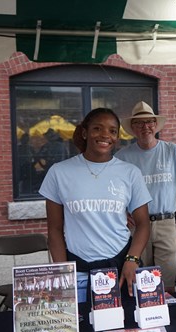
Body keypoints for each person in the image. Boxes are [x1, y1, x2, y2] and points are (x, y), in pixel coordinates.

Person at [39, 108, 152, 297]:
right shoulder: (59, 172)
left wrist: (132, 260)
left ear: (117, 137)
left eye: (112, 131)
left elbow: (143, 224)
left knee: (123, 324)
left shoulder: (130, 173)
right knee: (81, 325)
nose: (105, 135)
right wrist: (62, 272)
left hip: (121, 267)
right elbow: (54, 230)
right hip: (78, 271)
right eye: (97, 128)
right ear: (85, 132)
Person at [115, 101, 176, 292]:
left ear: (155, 124)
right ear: (133, 128)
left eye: (149, 122)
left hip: (166, 223)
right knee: (141, 282)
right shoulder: (122, 157)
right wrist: (119, 212)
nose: (145, 127)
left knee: (166, 281)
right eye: (139, 123)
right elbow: (113, 193)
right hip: (136, 226)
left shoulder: (172, 151)